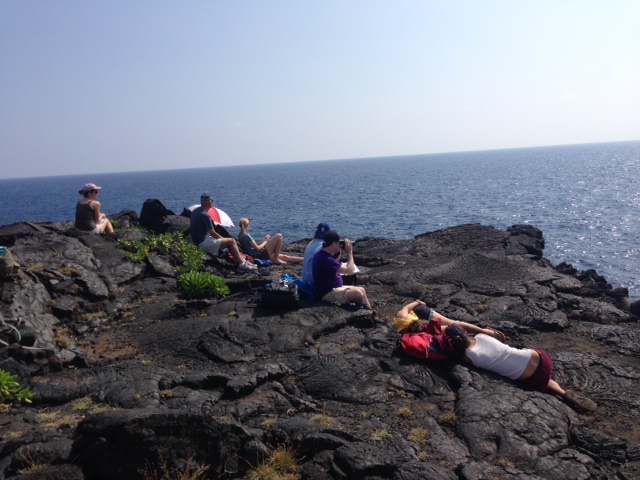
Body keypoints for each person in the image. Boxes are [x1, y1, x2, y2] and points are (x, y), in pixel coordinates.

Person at [392, 300, 597, 412]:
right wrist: (486, 331)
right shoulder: (483, 339)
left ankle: (560, 393)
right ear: (465, 335)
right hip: (540, 358)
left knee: (535, 379)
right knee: (519, 358)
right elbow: (460, 330)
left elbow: (450, 348)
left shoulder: (468, 359)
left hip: (532, 378)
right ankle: (563, 392)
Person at [190, 193, 256, 273]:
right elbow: (212, 233)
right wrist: (223, 239)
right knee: (231, 241)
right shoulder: (205, 215)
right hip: (203, 243)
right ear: (210, 203)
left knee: (227, 242)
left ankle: (242, 261)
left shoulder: (195, 212)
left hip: (197, 241)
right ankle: (242, 264)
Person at [312, 230, 372, 310]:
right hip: (328, 293)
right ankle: (361, 311)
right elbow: (350, 270)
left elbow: (335, 264)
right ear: (333, 244)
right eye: (338, 243)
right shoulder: (326, 259)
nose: (340, 245)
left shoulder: (322, 254)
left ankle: (369, 311)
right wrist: (349, 252)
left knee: (362, 290)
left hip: (333, 289)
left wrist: (339, 250)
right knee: (358, 294)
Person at [238, 218, 303, 264]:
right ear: (247, 225)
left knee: (285, 257)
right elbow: (257, 248)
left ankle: (305, 259)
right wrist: (266, 241)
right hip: (260, 255)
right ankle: (276, 259)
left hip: (259, 254)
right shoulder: (246, 236)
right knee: (279, 236)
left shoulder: (240, 235)